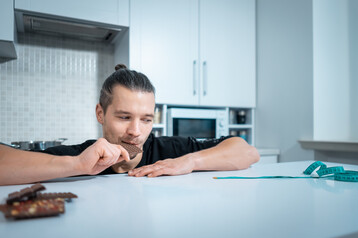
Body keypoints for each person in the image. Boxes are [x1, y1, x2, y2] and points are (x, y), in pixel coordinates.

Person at [0, 64, 259, 185]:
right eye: (124, 117)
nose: (136, 132)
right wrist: (76, 165)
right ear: (100, 113)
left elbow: (247, 151)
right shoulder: (80, 156)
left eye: (146, 119)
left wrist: (191, 161)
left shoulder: (172, 151)